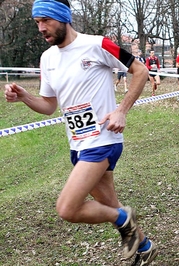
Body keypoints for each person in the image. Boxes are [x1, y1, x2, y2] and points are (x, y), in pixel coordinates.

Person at [4, 0, 158, 264]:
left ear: (63, 17)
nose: (41, 28)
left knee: (67, 208)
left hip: (102, 139)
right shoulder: (47, 57)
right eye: (37, 23)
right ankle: (144, 246)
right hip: (77, 143)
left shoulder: (97, 44)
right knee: (109, 203)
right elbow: (49, 106)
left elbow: (140, 71)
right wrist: (25, 97)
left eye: (46, 21)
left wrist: (121, 110)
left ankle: (125, 219)